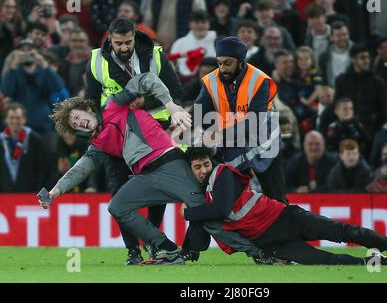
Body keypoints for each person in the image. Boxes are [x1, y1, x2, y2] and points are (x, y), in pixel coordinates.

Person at [42, 73, 262, 265]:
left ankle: (260, 252)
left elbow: (146, 78)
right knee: (117, 206)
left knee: (210, 218)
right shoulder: (97, 143)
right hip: (146, 176)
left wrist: (170, 104)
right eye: (74, 124)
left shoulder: (113, 105)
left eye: (78, 117)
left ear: (88, 109)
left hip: (171, 164)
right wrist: (55, 191)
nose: (79, 123)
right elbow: (80, 168)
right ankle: (167, 248)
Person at [180, 147, 387, 265]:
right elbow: (201, 240)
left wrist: (189, 213)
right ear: (190, 170)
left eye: (205, 164)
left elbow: (221, 210)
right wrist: (188, 245)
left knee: (343, 232)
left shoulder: (222, 173)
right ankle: (381, 262)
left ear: (211, 163)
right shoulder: (201, 198)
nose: (203, 170)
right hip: (272, 242)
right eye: (197, 167)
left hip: (285, 218)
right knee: (326, 260)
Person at [84, 18, 183, 265]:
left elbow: (176, 92)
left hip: (152, 131)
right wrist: (96, 122)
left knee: (156, 190)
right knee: (119, 192)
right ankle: (132, 251)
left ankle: (152, 241)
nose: (124, 47)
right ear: (110, 39)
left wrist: (146, 103)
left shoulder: (156, 55)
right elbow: (91, 100)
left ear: (134, 36)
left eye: (128, 42)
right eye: (118, 43)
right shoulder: (96, 60)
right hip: (116, 133)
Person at [192, 36, 287, 203]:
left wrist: (219, 135)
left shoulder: (259, 81)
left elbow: (254, 124)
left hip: (264, 143)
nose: (222, 68)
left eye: (228, 63)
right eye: (220, 63)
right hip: (234, 144)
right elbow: (197, 113)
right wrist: (177, 122)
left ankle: (286, 227)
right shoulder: (211, 81)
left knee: (276, 199)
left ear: (241, 62)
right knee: (232, 198)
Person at [0, 104, 52, 192]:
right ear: (6, 120)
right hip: (4, 197)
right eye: (11, 118)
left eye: (18, 118)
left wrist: (37, 192)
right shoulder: (1, 140)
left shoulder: (34, 140)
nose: (15, 121)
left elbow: (42, 170)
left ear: (24, 119)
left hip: (29, 196)